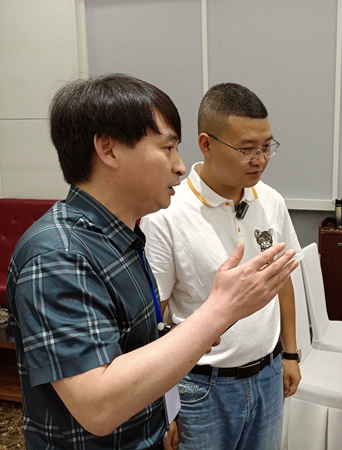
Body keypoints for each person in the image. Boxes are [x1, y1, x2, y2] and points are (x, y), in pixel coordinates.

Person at [6, 73, 298, 450]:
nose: (180, 166)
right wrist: (220, 310)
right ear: (108, 150)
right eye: (167, 148)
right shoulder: (56, 254)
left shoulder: (122, 236)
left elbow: (136, 344)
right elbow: (98, 406)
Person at [140, 82, 302, 450]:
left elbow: (282, 281)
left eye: (266, 147)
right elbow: (154, 315)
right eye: (246, 149)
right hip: (200, 387)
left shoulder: (271, 200)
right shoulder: (168, 213)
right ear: (206, 144)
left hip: (268, 373)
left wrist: (290, 353)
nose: (259, 159)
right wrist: (164, 404)